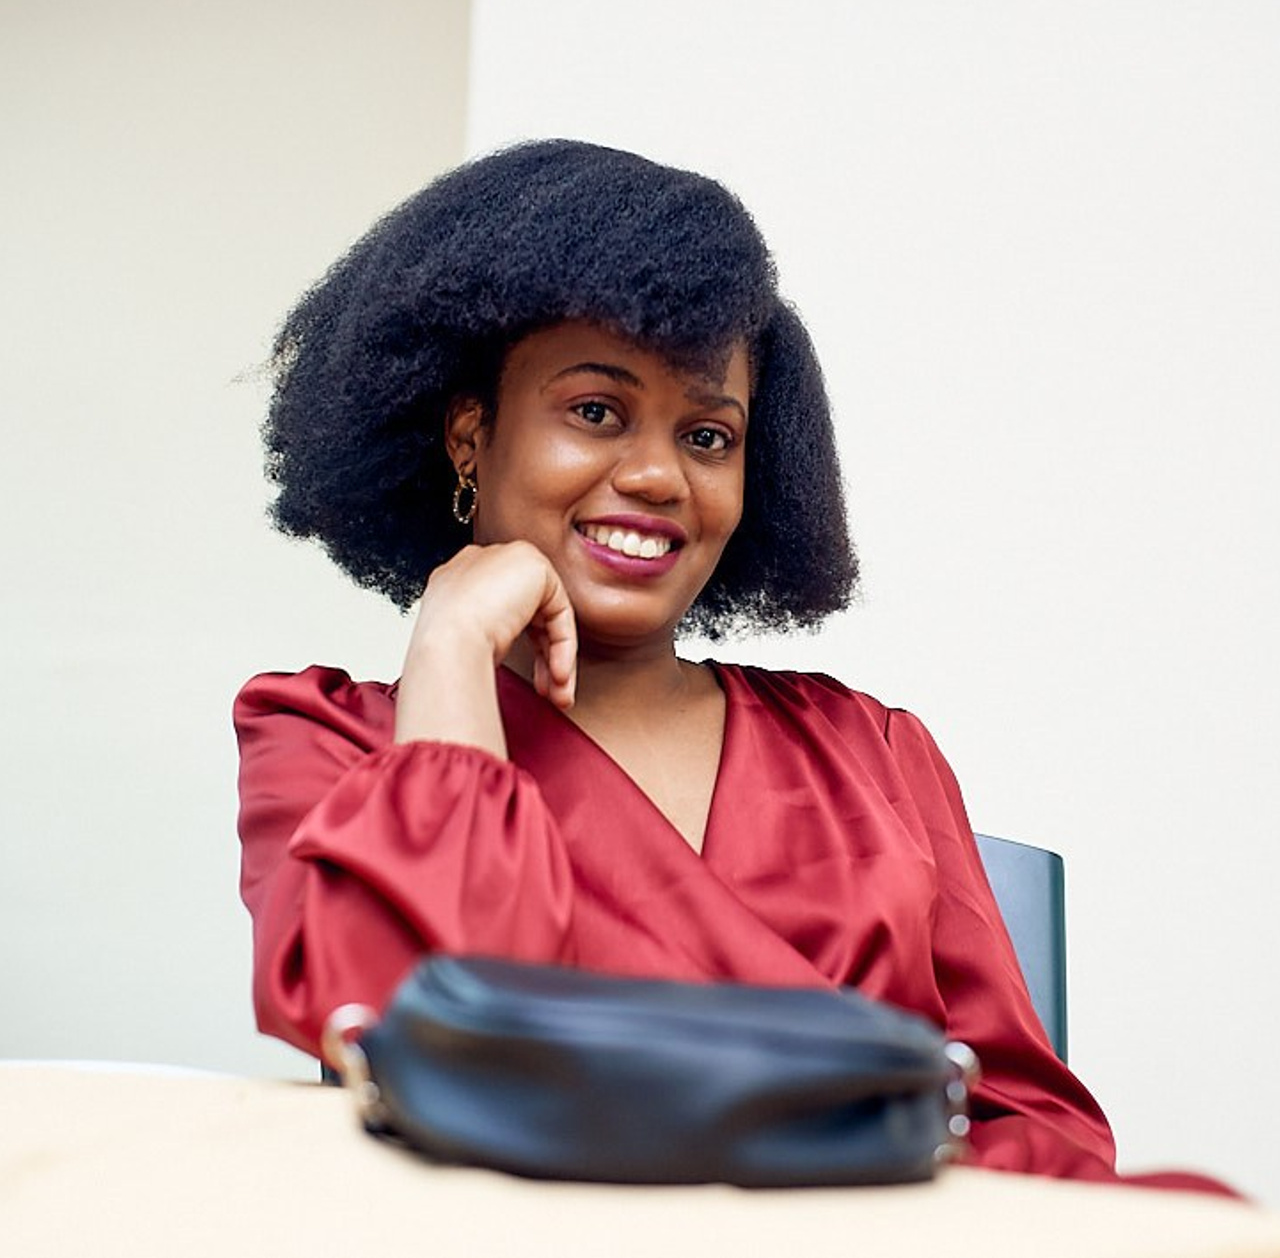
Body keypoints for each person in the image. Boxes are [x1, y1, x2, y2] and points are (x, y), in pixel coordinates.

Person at [235, 139, 1232, 1195]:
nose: (660, 474)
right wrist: (448, 648)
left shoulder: (869, 750)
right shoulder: (321, 742)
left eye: (708, 434)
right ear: (470, 436)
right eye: (595, 411)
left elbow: (1034, 1131)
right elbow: (430, 1051)